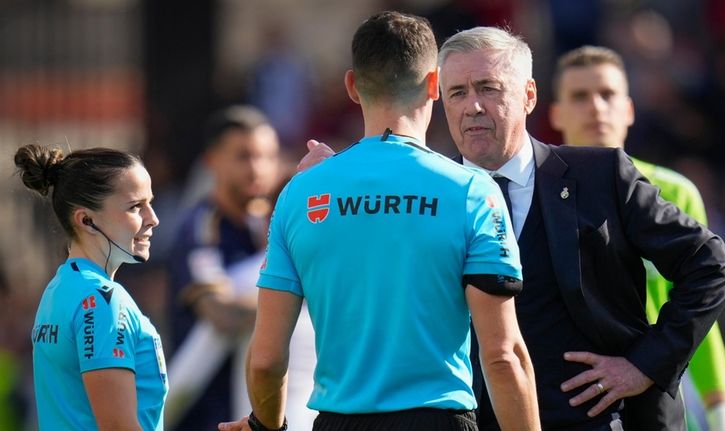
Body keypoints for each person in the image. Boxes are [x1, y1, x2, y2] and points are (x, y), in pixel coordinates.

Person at [297, 26, 725, 431]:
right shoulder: (430, 195)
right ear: (437, 100)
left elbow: (711, 265)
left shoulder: (601, 175)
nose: (472, 106)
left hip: (603, 421)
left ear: (529, 95)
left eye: (488, 88)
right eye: (457, 92)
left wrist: (643, 366)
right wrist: (320, 180)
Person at [219, 11, 539, 431]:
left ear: (352, 86)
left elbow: (265, 360)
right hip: (438, 421)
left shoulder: (300, 193)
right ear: (433, 84)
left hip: (338, 422)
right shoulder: (473, 192)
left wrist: (266, 424)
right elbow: (502, 357)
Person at [548, 45, 725, 431]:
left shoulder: (673, 192)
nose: (596, 107)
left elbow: (702, 304)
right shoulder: (538, 191)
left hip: (656, 396)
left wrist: (720, 409)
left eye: (608, 94)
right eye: (580, 96)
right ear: (555, 113)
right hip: (569, 395)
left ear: (629, 108)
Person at [165, 106, 309, 430]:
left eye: (267, 156)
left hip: (249, 410)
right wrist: (291, 301)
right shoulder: (202, 228)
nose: (257, 168)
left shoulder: (265, 225)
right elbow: (220, 314)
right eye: (244, 156)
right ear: (212, 160)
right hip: (205, 412)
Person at [14, 144, 165, 430]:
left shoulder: (58, 288)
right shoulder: (103, 300)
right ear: (86, 220)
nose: (153, 218)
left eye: (150, 203)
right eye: (136, 206)